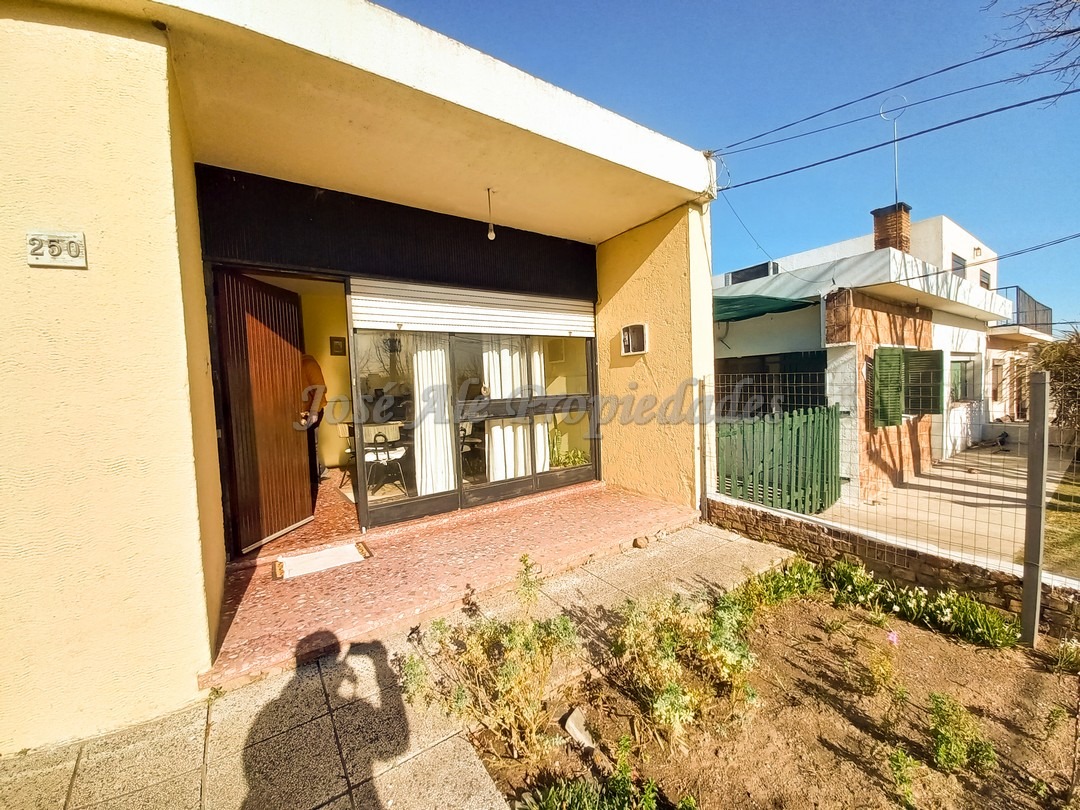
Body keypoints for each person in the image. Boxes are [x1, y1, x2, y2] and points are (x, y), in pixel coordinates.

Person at [300, 353, 328, 499]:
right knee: (305, 445)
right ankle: (320, 470)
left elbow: (320, 388)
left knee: (311, 444)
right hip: (302, 412)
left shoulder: (308, 364)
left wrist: (313, 411)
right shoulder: (291, 365)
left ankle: (314, 479)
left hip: (313, 410)